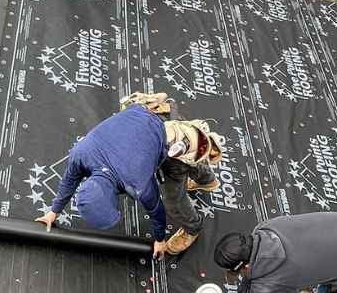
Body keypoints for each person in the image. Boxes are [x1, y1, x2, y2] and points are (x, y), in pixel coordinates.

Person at [36, 96, 225, 259]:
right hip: (146, 113)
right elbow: (69, 180)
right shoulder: (81, 154)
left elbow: (157, 210)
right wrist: (54, 211)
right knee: (180, 161)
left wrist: (160, 239)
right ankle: (207, 180)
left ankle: (193, 228)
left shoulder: (136, 183)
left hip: (173, 137)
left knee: (173, 201)